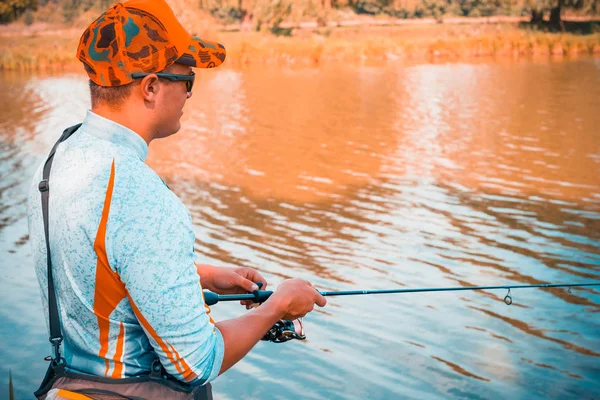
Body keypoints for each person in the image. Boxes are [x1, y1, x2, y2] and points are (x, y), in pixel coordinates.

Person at [27, 0, 326, 398]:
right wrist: (278, 306)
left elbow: (92, 259)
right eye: (187, 79)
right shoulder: (140, 195)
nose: (188, 94)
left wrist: (197, 273)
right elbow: (194, 363)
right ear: (151, 87)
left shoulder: (57, 160)